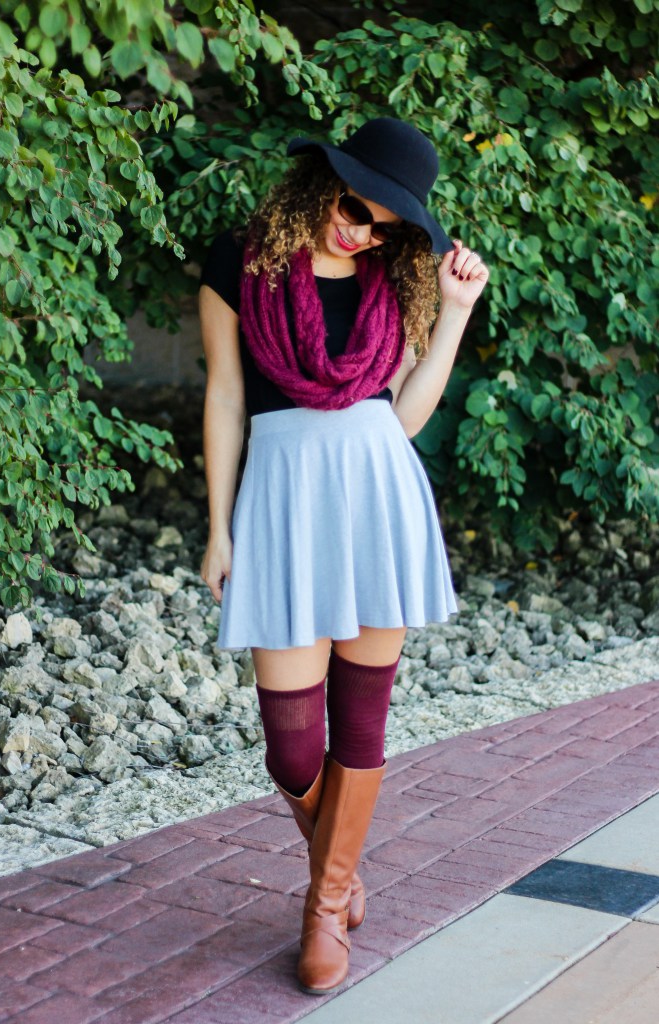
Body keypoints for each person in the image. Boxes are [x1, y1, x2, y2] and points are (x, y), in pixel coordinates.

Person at [198, 117, 489, 995]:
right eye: (354, 206)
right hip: (281, 499)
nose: (358, 230)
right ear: (321, 179)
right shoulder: (236, 265)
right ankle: (341, 867)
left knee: (360, 724)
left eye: (381, 224)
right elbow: (221, 395)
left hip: (375, 498)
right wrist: (217, 528)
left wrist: (456, 314)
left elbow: (402, 418)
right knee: (291, 749)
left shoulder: (390, 284)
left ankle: (325, 908)